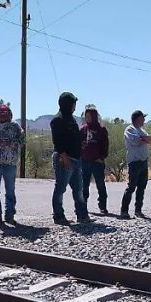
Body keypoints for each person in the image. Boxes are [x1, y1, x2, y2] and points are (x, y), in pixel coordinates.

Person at [50, 92, 90, 225]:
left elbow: (72, 138)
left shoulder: (72, 119)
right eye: (73, 104)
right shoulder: (58, 120)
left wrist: (80, 144)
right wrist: (64, 157)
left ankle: (82, 215)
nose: (75, 106)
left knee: (78, 189)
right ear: (67, 104)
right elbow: (58, 142)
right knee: (61, 188)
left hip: (76, 159)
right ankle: (58, 216)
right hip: (64, 159)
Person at [120, 110, 151, 218]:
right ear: (137, 119)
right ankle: (124, 210)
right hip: (134, 163)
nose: (144, 120)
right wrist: (145, 139)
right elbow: (136, 141)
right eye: (142, 118)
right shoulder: (130, 129)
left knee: (141, 187)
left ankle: (138, 210)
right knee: (131, 187)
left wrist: (144, 139)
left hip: (143, 162)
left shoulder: (141, 130)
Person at [80, 104, 110, 215]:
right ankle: (82, 206)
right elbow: (78, 144)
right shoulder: (83, 129)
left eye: (89, 116)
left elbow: (105, 145)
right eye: (85, 116)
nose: (87, 118)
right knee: (84, 186)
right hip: (85, 161)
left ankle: (102, 206)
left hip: (97, 162)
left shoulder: (101, 130)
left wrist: (101, 157)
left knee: (100, 185)